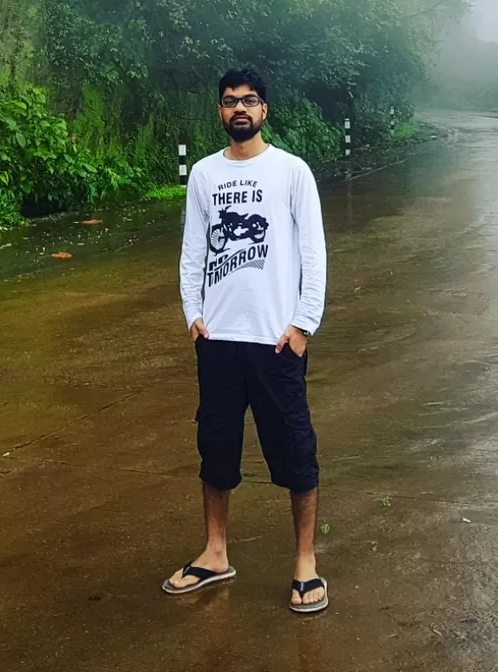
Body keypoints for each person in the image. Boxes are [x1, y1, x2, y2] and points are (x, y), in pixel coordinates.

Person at [163, 66, 328, 613]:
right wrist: (193, 316)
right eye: (230, 101)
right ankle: (215, 553)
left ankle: (305, 562)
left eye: (250, 100)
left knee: (294, 451)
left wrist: (303, 325)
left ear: (264, 110)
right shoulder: (205, 175)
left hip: (276, 342)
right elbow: (193, 250)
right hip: (218, 340)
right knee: (216, 449)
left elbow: (313, 254)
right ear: (219, 112)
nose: (240, 108)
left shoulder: (291, 171)